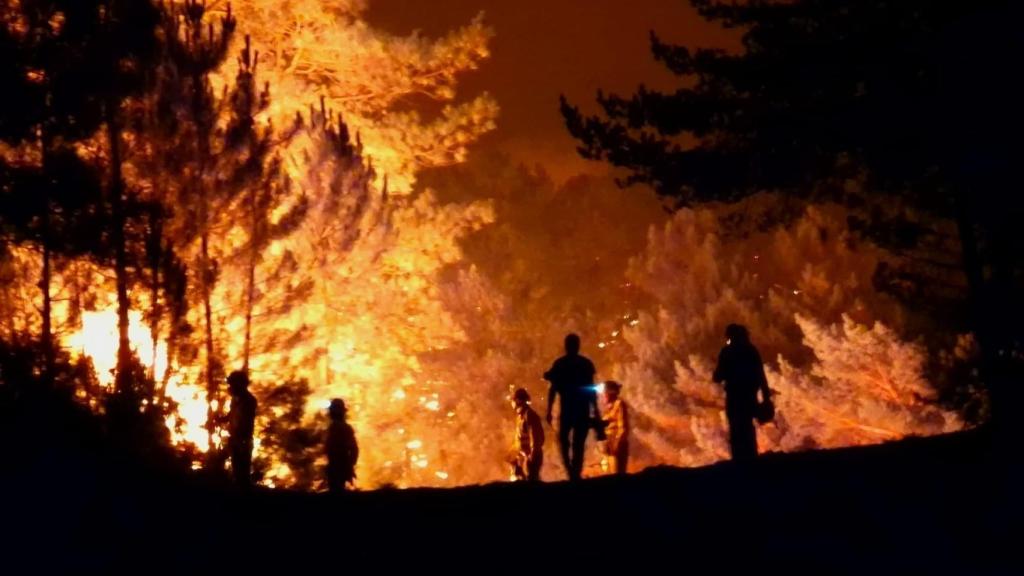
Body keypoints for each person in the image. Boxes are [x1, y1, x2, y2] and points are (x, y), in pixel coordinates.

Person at [544, 333, 601, 481]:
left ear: (566, 346)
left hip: (568, 409)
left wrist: (549, 410)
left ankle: (571, 471)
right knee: (578, 443)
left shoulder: (560, 364)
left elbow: (553, 389)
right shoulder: (585, 364)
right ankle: (575, 471)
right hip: (582, 409)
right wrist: (595, 411)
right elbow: (591, 389)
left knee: (564, 440)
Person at [712, 324, 772, 462]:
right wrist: (766, 398)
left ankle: (739, 462)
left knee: (736, 429)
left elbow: (717, 376)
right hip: (749, 397)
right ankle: (750, 459)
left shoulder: (727, 352)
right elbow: (761, 376)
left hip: (734, 397)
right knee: (747, 428)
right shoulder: (751, 351)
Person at [227, 370, 258, 487]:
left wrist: (240, 439)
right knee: (236, 473)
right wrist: (220, 419)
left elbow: (245, 422)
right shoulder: (235, 399)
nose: (230, 387)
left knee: (243, 474)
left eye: (233, 384)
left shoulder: (249, 401)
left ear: (241, 384)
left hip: (244, 441)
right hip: (235, 439)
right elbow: (231, 414)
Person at [510, 388, 545, 482]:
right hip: (524, 457)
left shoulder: (529, 415)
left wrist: (531, 457)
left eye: (513, 400)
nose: (511, 403)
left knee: (531, 482)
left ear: (518, 400)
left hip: (530, 457)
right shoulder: (521, 416)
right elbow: (520, 438)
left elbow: (536, 438)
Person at [325, 398, 359, 492]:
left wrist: (348, 466)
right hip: (336, 467)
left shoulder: (342, 428)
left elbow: (353, 449)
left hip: (339, 467)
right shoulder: (335, 427)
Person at [601, 381, 629, 475]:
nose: (603, 396)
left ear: (611, 393)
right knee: (608, 473)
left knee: (616, 474)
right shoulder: (608, 408)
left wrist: (617, 444)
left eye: (604, 393)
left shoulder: (619, 404)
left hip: (617, 444)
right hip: (609, 444)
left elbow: (623, 427)